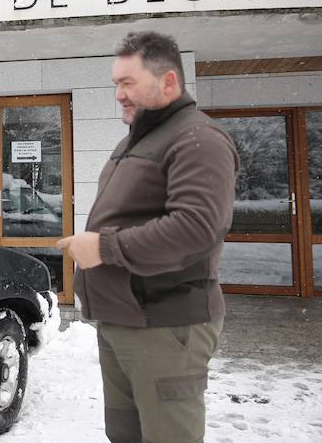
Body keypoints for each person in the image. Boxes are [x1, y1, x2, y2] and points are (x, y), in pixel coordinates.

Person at [57, 31, 239, 443]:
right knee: (125, 434)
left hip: (166, 325)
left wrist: (103, 247)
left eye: (128, 83)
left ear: (169, 82)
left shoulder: (198, 139)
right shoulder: (138, 140)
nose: (119, 94)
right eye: (116, 84)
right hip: (123, 321)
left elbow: (196, 228)